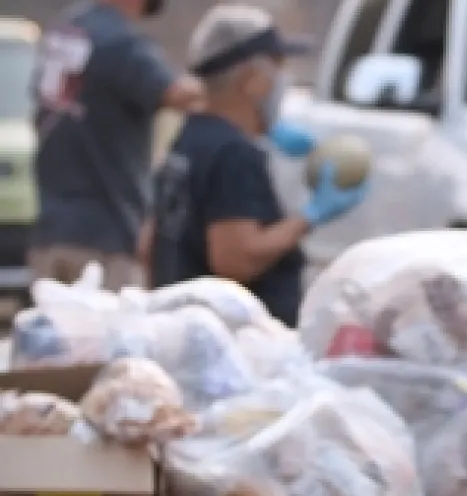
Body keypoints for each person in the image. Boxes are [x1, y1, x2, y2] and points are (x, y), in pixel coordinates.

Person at [141, 4, 365, 328]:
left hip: (185, 325)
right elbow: (235, 259)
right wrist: (310, 216)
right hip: (237, 340)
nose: (282, 81)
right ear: (251, 79)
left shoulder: (190, 137)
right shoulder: (234, 153)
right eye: (277, 67)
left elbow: (149, 243)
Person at [29, 0, 206, 289]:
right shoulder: (117, 41)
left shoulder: (63, 33)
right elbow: (177, 94)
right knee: (106, 333)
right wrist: (224, 75)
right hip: (104, 236)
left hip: (52, 229)